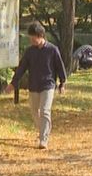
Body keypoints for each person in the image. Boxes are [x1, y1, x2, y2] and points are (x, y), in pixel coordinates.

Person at [5, 22, 67, 150]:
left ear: (41, 36)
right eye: (30, 38)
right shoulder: (29, 51)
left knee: (45, 111)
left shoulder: (52, 49)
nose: (32, 40)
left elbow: (60, 67)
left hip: (48, 85)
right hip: (33, 85)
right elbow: (21, 68)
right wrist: (13, 83)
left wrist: (62, 83)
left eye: (34, 38)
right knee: (34, 111)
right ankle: (43, 129)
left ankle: (43, 139)